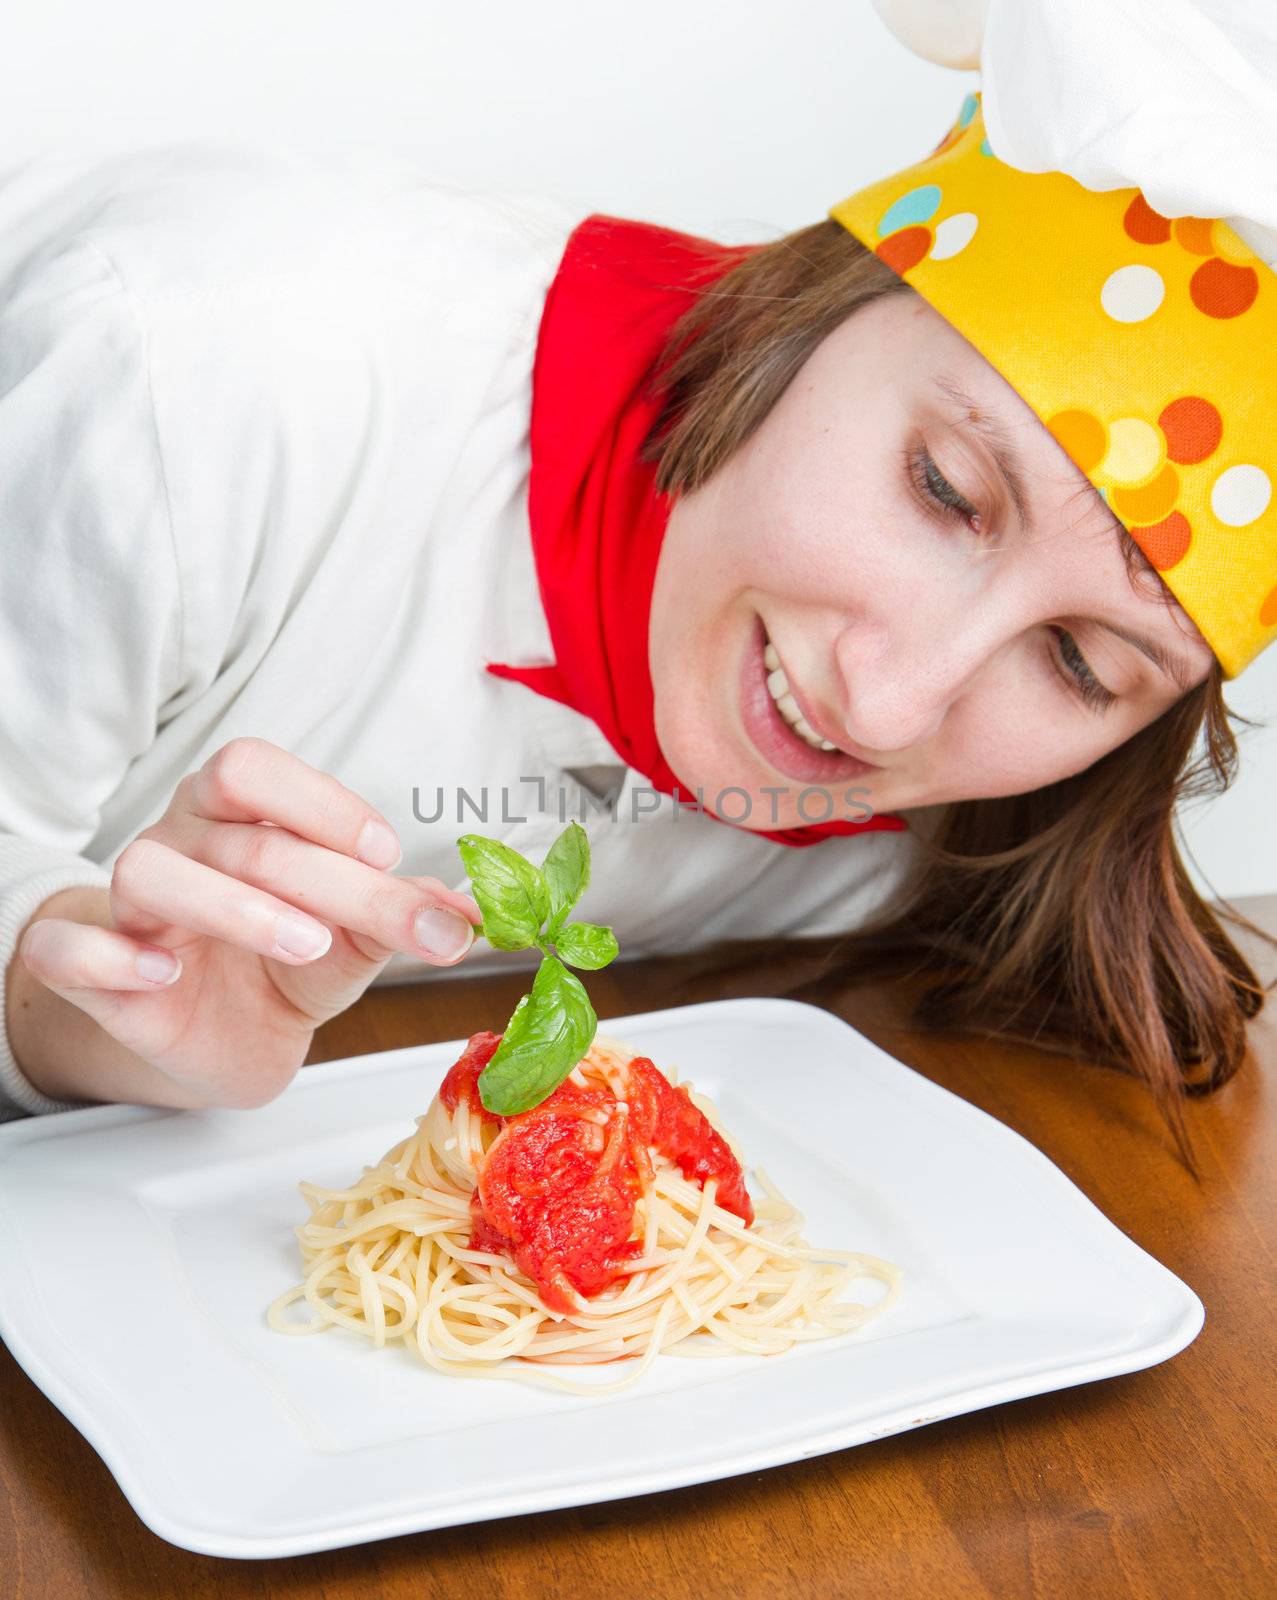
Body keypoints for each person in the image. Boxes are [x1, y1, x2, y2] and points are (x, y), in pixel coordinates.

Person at [2, 2, 1274, 1164]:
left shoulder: (1005, 828)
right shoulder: (214, 364)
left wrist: (136, 1030)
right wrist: (51, 1005)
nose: (884, 710)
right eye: (940, 490)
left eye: (1079, 664)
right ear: (815, 308)